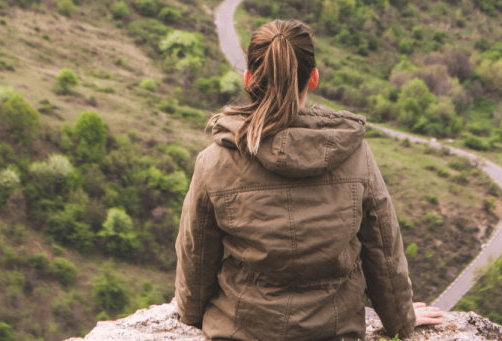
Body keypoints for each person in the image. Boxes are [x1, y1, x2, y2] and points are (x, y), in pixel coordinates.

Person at [174, 19, 442, 341]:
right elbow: (383, 251)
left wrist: (189, 316)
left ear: (248, 80)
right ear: (313, 77)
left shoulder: (214, 161)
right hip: (335, 331)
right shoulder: (355, 155)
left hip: (241, 331)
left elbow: (196, 256)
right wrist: (402, 319)